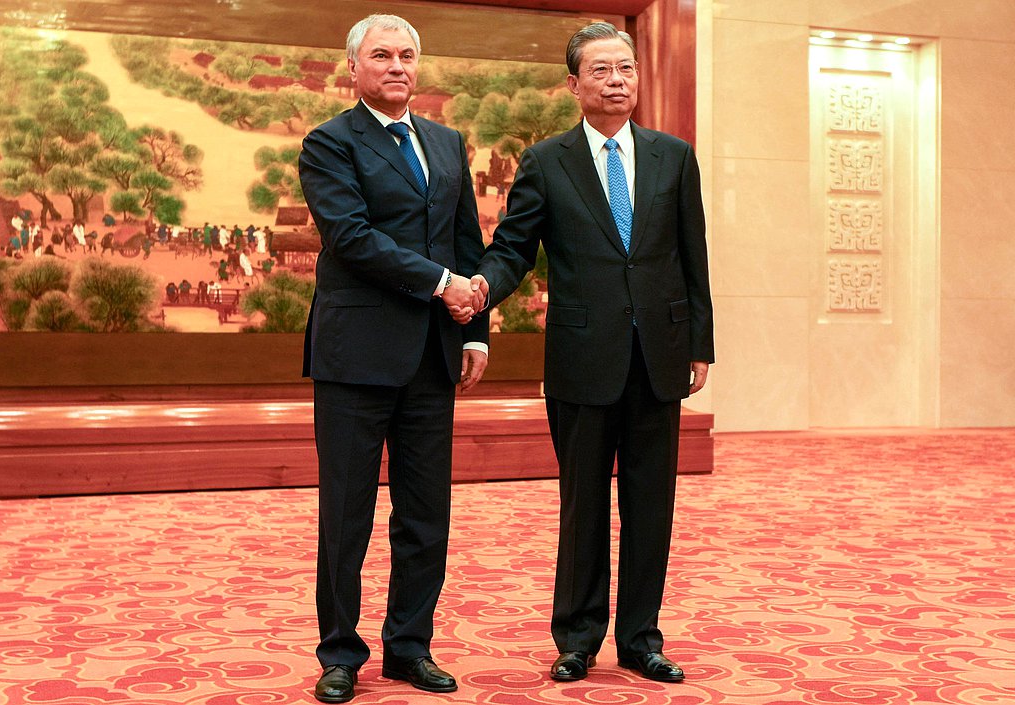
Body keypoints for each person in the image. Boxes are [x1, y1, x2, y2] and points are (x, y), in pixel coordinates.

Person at [463, 22, 714, 685]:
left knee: (650, 505)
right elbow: (515, 246)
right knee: (583, 506)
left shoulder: (674, 156)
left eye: (626, 69)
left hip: (659, 355)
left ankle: (641, 638)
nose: (617, 81)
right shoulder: (548, 161)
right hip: (582, 358)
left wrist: (700, 342)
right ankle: (576, 637)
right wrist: (483, 288)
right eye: (601, 71)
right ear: (574, 84)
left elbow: (693, 255)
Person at [298, 13, 489, 704]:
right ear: (353, 68)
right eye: (381, 55)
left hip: (434, 357)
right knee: (346, 513)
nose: (397, 66)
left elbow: (467, 238)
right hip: (356, 357)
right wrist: (443, 285)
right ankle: (340, 653)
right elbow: (350, 237)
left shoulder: (446, 142)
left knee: (425, 513)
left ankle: (410, 647)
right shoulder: (329, 143)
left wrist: (476, 331)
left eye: (407, 55)